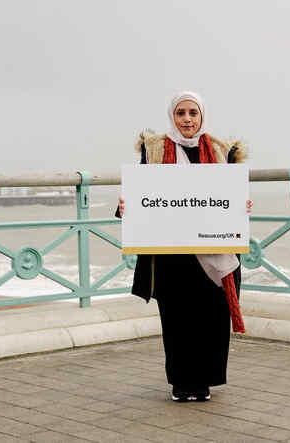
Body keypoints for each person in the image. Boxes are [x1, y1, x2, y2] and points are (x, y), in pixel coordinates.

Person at [117, 91, 252, 402]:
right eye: (181, 113)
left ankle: (202, 382)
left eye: (193, 112)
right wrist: (125, 208)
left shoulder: (221, 150)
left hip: (212, 251)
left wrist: (241, 206)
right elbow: (142, 196)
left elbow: (230, 196)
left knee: (210, 318)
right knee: (177, 321)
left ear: (202, 116)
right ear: (172, 117)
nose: (187, 119)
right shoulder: (153, 150)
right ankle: (181, 383)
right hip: (170, 253)